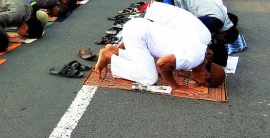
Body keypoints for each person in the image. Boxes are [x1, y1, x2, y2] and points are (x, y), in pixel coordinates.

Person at [93, 18, 225, 93]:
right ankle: (109, 57)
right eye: (203, 83)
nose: (198, 83)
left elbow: (172, 63)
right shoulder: (193, 59)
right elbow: (162, 63)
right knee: (150, 78)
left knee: (159, 70)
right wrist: (176, 86)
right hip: (138, 35)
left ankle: (115, 52)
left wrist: (183, 73)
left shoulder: (200, 52)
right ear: (206, 75)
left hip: (139, 24)